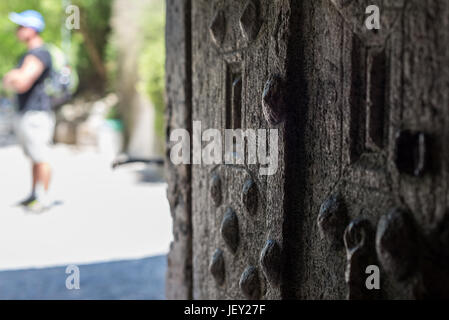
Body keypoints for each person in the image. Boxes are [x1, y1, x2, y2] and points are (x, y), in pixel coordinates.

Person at [2, 10, 54, 211]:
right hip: (27, 112)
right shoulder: (28, 55)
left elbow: (22, 82)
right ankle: (34, 193)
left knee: (41, 156)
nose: (17, 30)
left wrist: (13, 76)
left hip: (37, 113)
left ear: (31, 29)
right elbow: (12, 79)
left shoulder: (39, 53)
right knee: (33, 157)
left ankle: (44, 197)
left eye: (21, 26)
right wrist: (13, 76)